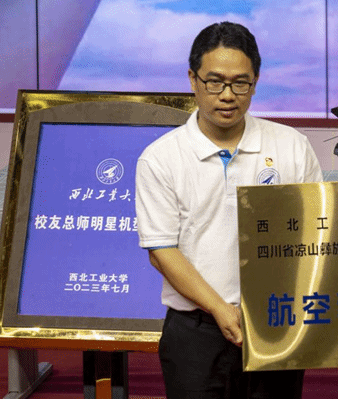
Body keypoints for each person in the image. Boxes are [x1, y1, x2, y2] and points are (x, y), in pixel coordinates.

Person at [136, 21, 322, 398]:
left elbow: (316, 231)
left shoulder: (291, 146)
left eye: (240, 83)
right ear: (193, 79)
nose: (227, 95)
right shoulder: (160, 158)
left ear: (255, 82)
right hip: (196, 330)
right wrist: (220, 308)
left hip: (276, 321)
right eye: (214, 82)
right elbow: (162, 250)